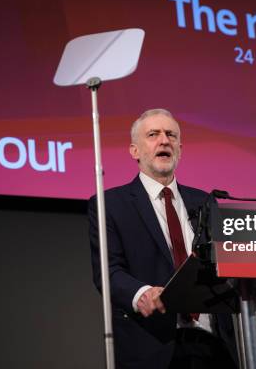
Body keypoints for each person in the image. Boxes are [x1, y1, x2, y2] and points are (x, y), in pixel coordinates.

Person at [88, 109, 237, 369]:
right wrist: (142, 293)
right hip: (153, 346)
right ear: (134, 151)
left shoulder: (205, 201)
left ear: (180, 148)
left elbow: (224, 265)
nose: (164, 140)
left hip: (214, 347)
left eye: (171, 135)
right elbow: (108, 271)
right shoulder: (110, 204)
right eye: (153, 134)